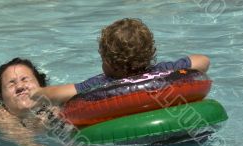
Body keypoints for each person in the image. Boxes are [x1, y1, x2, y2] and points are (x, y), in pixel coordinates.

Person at [31, 18, 211, 104]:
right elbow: (203, 61)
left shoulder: (104, 84)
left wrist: (35, 92)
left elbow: (59, 93)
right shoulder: (164, 70)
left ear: (109, 62)